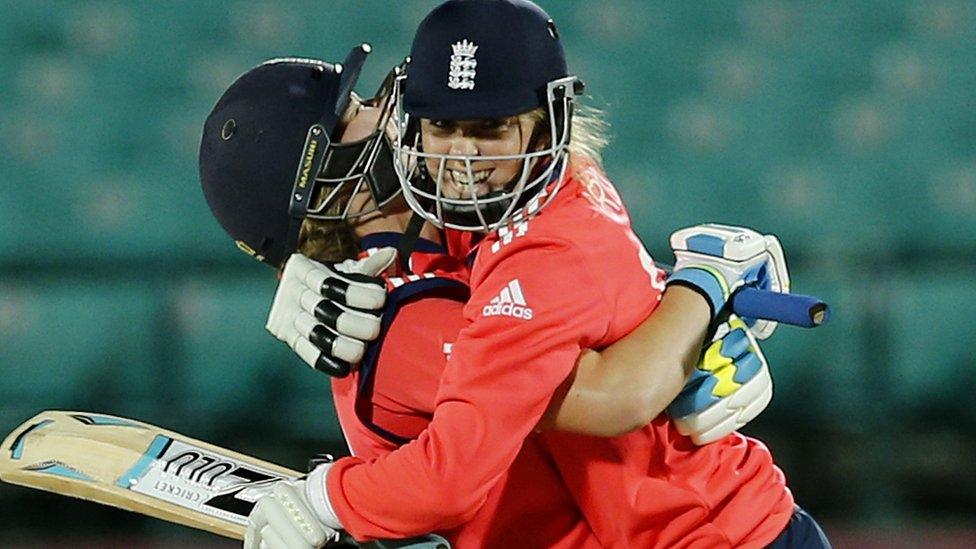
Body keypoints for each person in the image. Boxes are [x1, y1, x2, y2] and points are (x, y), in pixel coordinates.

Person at [231, 2, 831, 548]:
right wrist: (698, 295)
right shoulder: (490, 213)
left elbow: (611, 395)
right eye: (442, 126)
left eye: (490, 127)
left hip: (719, 535)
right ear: (324, 185)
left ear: (544, 124)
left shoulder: (505, 258)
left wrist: (325, 496)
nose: (462, 159)